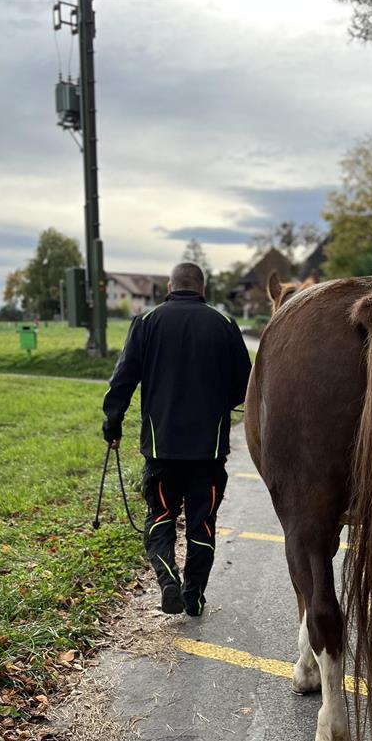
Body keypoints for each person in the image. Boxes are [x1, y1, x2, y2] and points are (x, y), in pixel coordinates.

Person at [101, 262, 252, 616]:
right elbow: (247, 383)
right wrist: (220, 404)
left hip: (161, 446)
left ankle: (168, 579)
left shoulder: (147, 323)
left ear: (169, 286)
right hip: (208, 451)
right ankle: (193, 596)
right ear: (203, 288)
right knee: (202, 523)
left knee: (161, 514)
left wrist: (113, 422)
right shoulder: (225, 324)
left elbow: (123, 379)